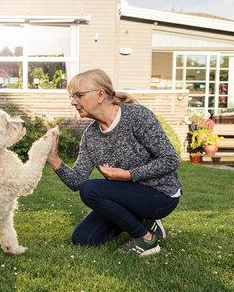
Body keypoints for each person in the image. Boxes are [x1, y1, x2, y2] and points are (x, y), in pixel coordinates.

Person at [47, 69, 182, 256]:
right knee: (83, 239)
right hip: (127, 197)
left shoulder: (137, 116)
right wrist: (54, 160)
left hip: (161, 195)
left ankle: (146, 238)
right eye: (72, 97)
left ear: (100, 95)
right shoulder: (90, 136)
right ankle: (145, 221)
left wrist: (128, 175)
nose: (73, 102)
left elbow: (171, 159)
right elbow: (77, 181)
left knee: (91, 189)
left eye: (79, 95)